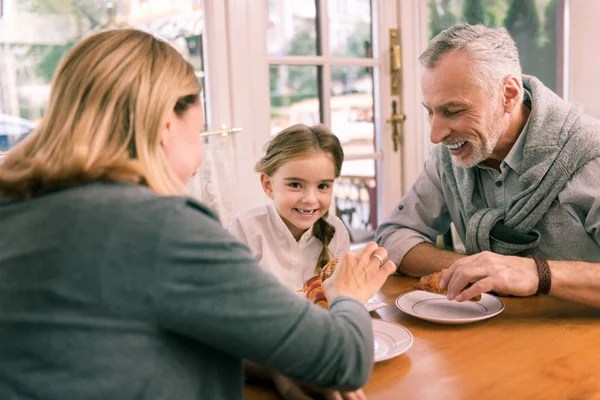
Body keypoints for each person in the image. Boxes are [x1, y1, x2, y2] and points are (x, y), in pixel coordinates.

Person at [0, 29, 397, 400]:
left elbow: (130, 348)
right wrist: (348, 292)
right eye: (201, 130)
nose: (201, 150)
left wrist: (272, 364)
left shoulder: (15, 207)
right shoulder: (164, 227)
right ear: (167, 126)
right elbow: (345, 360)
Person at [376, 24, 600, 308]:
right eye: (430, 112)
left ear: (508, 94)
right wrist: (474, 269)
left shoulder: (591, 155)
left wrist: (535, 273)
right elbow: (394, 237)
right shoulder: (450, 156)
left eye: (453, 111)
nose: (435, 134)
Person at [230, 124, 365, 400]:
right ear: (268, 185)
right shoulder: (245, 229)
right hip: (261, 358)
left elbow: (336, 305)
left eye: (323, 186)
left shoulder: (336, 230)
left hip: (321, 352)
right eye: (295, 184)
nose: (310, 199)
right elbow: (234, 319)